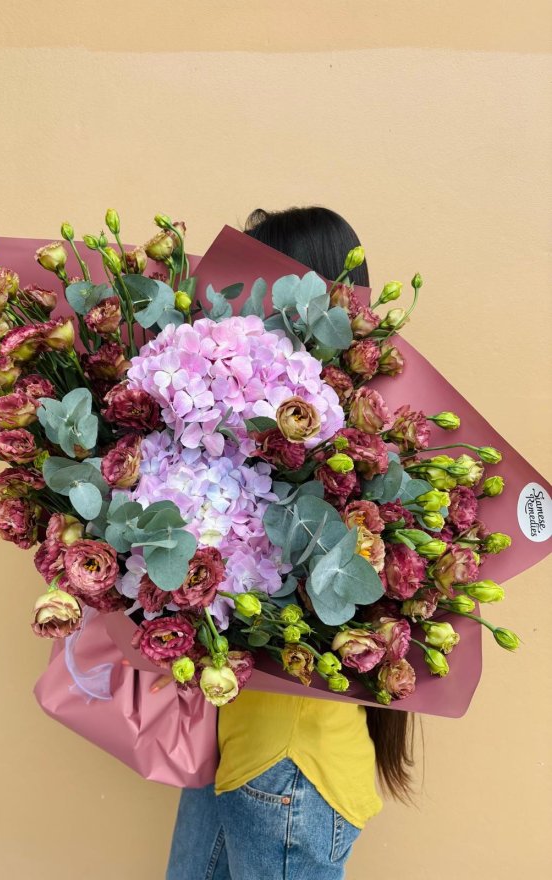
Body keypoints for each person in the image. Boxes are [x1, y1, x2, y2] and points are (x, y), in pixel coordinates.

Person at [165, 206, 418, 880]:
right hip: (239, 744)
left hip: (287, 767)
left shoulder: (349, 457)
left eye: (260, 288)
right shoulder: (254, 428)